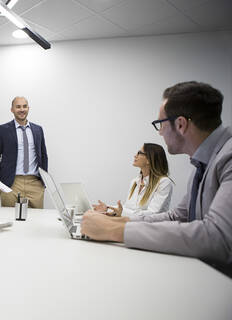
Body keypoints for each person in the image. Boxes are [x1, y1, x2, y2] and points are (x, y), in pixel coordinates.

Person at [81, 81, 232, 274]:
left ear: (180, 124)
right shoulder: (200, 163)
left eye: (160, 124)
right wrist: (119, 222)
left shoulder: (227, 157)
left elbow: (218, 237)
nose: (159, 132)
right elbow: (178, 216)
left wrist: (115, 231)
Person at [0, 96, 48, 208]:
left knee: (36, 221)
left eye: (24, 106)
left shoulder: (38, 130)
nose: (22, 109)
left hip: (35, 183)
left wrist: (43, 182)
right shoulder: (3, 130)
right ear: (12, 109)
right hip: (11, 184)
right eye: (18, 107)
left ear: (28, 108)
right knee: (11, 220)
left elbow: (44, 155)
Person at [94, 143, 173, 219]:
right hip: (133, 227)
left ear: (149, 159)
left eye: (139, 153)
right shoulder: (135, 181)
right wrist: (107, 209)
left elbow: (152, 214)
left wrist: (121, 212)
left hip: (151, 230)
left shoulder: (164, 183)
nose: (135, 156)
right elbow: (128, 208)